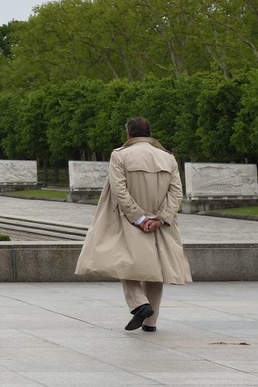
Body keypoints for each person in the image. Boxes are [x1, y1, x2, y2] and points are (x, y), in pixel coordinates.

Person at [75, 117, 191, 331]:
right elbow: (176, 192)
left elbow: (119, 190)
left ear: (128, 134)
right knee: (155, 269)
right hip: (159, 222)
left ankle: (139, 303)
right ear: (149, 133)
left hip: (130, 220)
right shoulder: (168, 158)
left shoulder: (120, 155)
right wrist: (160, 217)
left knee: (123, 262)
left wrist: (139, 217)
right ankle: (150, 322)